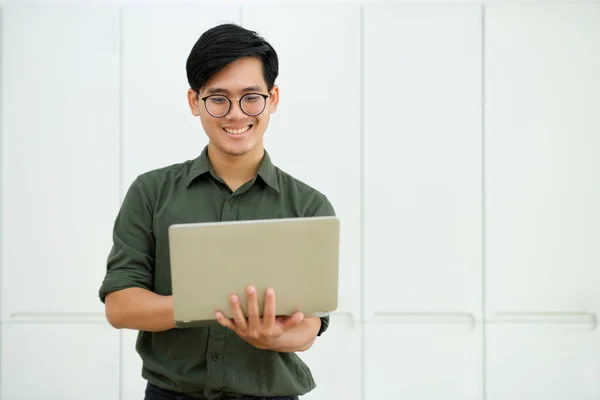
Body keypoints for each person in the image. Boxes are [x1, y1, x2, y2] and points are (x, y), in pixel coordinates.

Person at [98, 23, 336, 400]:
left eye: (251, 97)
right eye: (218, 98)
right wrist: (211, 303)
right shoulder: (151, 192)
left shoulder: (308, 205)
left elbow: (309, 326)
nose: (236, 114)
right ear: (195, 102)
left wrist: (273, 335)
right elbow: (121, 307)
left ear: (272, 99)